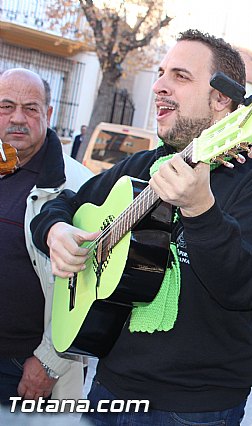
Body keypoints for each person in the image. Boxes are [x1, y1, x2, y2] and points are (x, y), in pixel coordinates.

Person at [30, 29, 252, 424]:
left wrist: (200, 209)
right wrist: (57, 233)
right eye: (160, 74)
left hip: (195, 407)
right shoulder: (140, 167)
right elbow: (61, 206)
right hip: (108, 389)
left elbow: (246, 287)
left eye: (180, 76)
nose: (158, 86)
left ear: (223, 99)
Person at [0, 69, 92, 406]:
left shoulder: (78, 185)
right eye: (6, 107)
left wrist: (49, 361)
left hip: (25, 371)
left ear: (48, 115)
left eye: (31, 108)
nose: (17, 119)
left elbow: (89, 291)